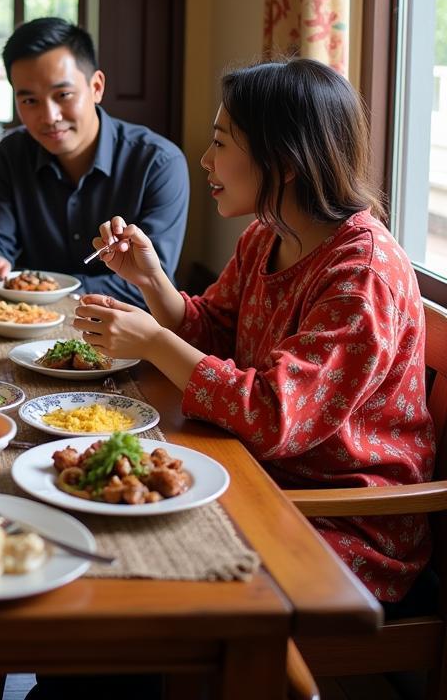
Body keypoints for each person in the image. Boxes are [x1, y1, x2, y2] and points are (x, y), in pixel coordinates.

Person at [76, 57, 435, 608]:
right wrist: (150, 279)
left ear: (284, 160)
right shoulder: (267, 236)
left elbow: (273, 416)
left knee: (128, 561)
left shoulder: (362, 276)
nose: (205, 159)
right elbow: (214, 332)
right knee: (98, 519)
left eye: (221, 142)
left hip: (340, 524)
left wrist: (151, 341)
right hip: (259, 477)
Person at [0, 18, 189, 306]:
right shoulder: (11, 153)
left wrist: (50, 290)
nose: (49, 116)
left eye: (63, 95)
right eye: (30, 101)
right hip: (27, 326)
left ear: (96, 87)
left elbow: (155, 281)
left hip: (129, 330)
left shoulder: (158, 163)